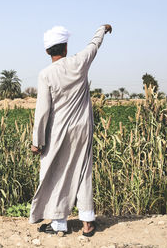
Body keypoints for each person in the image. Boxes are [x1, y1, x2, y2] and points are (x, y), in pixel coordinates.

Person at [29, 24, 112, 237]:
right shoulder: (79, 62)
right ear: (65, 47)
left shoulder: (45, 74)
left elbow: (43, 111)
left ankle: (59, 224)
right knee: (84, 171)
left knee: (57, 173)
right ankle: (87, 223)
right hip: (83, 129)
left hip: (57, 132)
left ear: (48, 51)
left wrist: (37, 141)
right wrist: (102, 29)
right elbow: (94, 45)